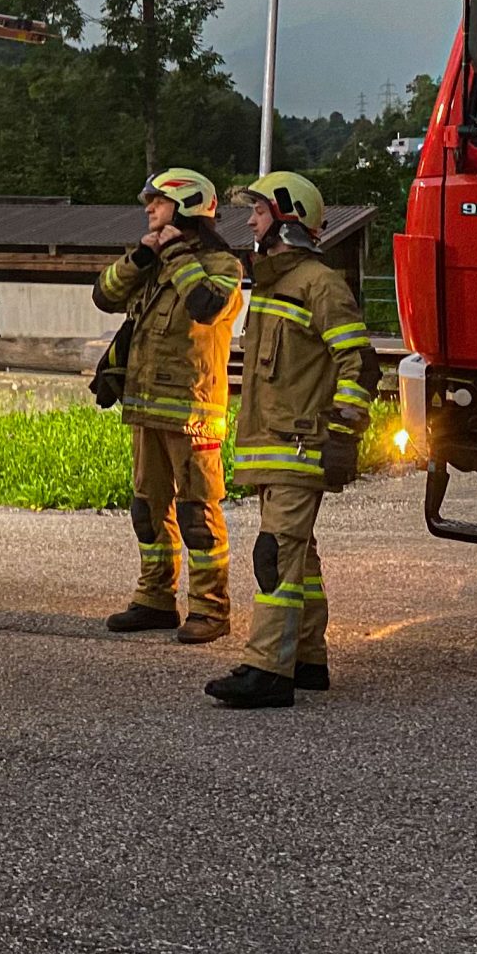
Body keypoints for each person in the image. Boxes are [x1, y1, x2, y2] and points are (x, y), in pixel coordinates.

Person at [204, 170, 375, 709]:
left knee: (274, 554)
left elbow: (359, 363)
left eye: (259, 212)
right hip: (274, 448)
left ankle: (267, 670)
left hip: (301, 446)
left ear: (287, 219)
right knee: (300, 558)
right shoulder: (274, 284)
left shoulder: (319, 284)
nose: (251, 222)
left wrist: (344, 432)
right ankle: (306, 659)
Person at [89, 168, 243, 643]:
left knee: (198, 515)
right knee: (147, 509)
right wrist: (142, 256)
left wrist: (175, 252)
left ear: (187, 206)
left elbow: (205, 306)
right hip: (145, 409)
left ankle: (211, 609)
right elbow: (104, 295)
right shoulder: (151, 261)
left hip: (194, 413)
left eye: (157, 201)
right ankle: (155, 599)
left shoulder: (223, 265)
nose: (149, 209)